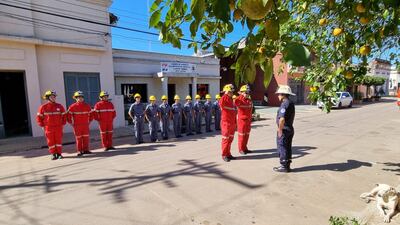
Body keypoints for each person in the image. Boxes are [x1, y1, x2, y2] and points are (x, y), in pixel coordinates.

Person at [36, 90, 66, 160]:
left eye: (54, 97)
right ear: (47, 98)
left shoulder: (59, 106)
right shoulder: (43, 107)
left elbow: (64, 116)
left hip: (58, 127)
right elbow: (39, 117)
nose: (53, 98)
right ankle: (53, 154)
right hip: (48, 127)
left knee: (58, 141)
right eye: (51, 97)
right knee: (50, 141)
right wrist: (42, 125)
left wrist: (63, 124)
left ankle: (59, 154)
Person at [274, 85, 296, 173]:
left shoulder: (284, 104)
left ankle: (283, 166)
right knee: (288, 147)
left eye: (279, 94)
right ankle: (287, 165)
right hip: (290, 128)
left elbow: (282, 119)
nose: (278, 95)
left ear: (283, 94)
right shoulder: (290, 103)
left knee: (282, 147)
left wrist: (280, 130)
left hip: (284, 129)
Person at [67, 91, 93, 157]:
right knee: (78, 138)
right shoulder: (72, 107)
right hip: (77, 125)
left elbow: (91, 114)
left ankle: (86, 150)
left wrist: (89, 121)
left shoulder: (87, 106)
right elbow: (68, 116)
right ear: (75, 98)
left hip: (85, 125)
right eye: (78, 97)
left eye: (81, 97)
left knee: (86, 138)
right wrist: (71, 123)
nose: (80, 98)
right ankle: (79, 150)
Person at [220, 84, 237, 162]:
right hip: (226, 123)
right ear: (227, 92)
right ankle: (224, 155)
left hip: (232, 123)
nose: (232, 93)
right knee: (226, 139)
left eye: (232, 91)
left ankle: (228, 154)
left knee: (230, 139)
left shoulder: (231, 100)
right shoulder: (224, 98)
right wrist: (225, 93)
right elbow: (221, 103)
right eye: (230, 92)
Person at [235, 85, 253, 155]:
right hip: (242, 121)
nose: (247, 94)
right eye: (245, 92)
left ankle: (245, 148)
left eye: (248, 92)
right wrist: (241, 95)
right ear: (241, 92)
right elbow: (236, 102)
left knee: (246, 135)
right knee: (241, 136)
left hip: (248, 121)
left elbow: (251, 109)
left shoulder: (249, 100)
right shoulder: (239, 100)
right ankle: (241, 149)